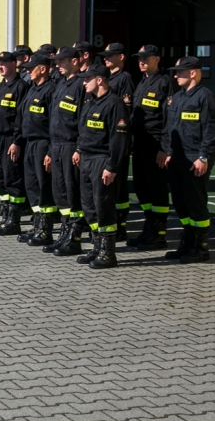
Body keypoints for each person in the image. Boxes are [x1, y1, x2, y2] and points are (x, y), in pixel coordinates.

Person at [163, 56, 215, 263]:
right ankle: (187, 242)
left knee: (195, 203)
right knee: (180, 203)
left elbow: (212, 129)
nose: (176, 75)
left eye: (180, 72)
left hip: (194, 157)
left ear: (194, 73)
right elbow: (171, 128)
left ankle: (200, 247)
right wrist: (169, 152)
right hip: (178, 158)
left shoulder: (205, 97)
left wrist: (203, 156)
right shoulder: (178, 97)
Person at [73, 63, 128, 269]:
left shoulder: (114, 104)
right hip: (87, 159)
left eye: (87, 79)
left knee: (104, 206)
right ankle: (96, 246)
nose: (84, 82)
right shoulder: (90, 102)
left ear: (99, 80)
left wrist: (112, 166)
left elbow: (119, 139)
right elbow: (84, 130)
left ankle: (108, 252)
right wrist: (79, 150)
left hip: (102, 161)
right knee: (89, 206)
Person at [128, 45, 177, 249]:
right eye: (140, 58)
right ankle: (149, 227)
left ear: (157, 59)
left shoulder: (164, 83)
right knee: (142, 187)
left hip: (155, 144)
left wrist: (164, 149)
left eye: (146, 58)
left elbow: (169, 119)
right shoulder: (142, 83)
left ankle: (159, 233)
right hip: (139, 143)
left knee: (157, 189)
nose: (142, 61)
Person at [46, 47, 88, 256]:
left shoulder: (81, 85)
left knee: (73, 193)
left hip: (71, 145)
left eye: (62, 61)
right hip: (56, 144)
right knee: (60, 192)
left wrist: (80, 148)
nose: (58, 65)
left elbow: (83, 119)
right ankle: (64, 231)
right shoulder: (61, 84)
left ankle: (75, 236)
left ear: (74, 61)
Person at [16, 54, 57, 245]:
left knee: (43, 187)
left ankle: (46, 229)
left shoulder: (50, 90)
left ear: (43, 69)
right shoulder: (33, 89)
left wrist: (50, 150)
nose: (27, 71)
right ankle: (37, 225)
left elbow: (53, 123)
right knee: (31, 186)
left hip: (43, 143)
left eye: (31, 68)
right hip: (30, 143)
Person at [0, 51, 29, 235]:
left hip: (10, 140)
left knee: (13, 179)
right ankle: (4, 217)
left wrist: (17, 141)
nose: (0, 66)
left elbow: (21, 118)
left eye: (4, 63)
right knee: (0, 179)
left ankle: (14, 221)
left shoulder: (20, 87)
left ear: (14, 64)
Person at [100, 42, 135, 239]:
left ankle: (120, 223)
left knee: (119, 185)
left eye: (110, 56)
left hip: (117, 138)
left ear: (121, 57)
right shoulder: (109, 77)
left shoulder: (124, 78)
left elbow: (125, 110)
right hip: (104, 141)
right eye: (105, 56)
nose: (106, 59)